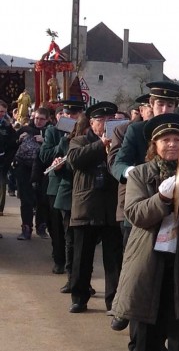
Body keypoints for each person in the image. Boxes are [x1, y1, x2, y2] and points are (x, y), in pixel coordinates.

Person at [112, 113, 179, 351]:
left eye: (177, 140)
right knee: (146, 337)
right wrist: (161, 198)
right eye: (165, 139)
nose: (171, 144)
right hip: (148, 262)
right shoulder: (139, 174)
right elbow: (135, 214)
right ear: (154, 145)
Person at [66, 101, 123, 314]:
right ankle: (79, 297)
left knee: (114, 258)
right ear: (91, 123)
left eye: (111, 120)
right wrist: (101, 145)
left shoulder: (120, 142)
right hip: (86, 206)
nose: (107, 124)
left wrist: (112, 145)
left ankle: (113, 301)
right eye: (102, 120)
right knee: (82, 256)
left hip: (111, 208)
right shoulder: (79, 140)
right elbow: (75, 160)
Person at [41, 101, 84, 279]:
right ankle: (59, 260)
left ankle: (73, 266)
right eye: (67, 114)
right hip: (56, 185)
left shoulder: (84, 132)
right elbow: (44, 155)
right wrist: (63, 141)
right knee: (57, 226)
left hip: (76, 184)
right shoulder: (53, 131)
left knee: (73, 229)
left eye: (74, 115)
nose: (70, 118)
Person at [14, 108, 51, 239]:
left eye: (42, 119)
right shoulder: (25, 130)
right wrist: (19, 139)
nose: (39, 121)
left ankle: (41, 227)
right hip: (24, 169)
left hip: (43, 169)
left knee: (42, 199)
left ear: (47, 120)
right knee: (26, 200)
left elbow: (56, 149)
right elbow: (12, 145)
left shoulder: (50, 132)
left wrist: (45, 140)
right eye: (37, 118)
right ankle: (26, 228)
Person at [0, 100, 17, 216]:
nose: (1, 114)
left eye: (3, 112)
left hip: (2, 161)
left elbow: (12, 145)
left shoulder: (7, 126)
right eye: (0, 111)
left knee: (1, 185)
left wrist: (8, 159)